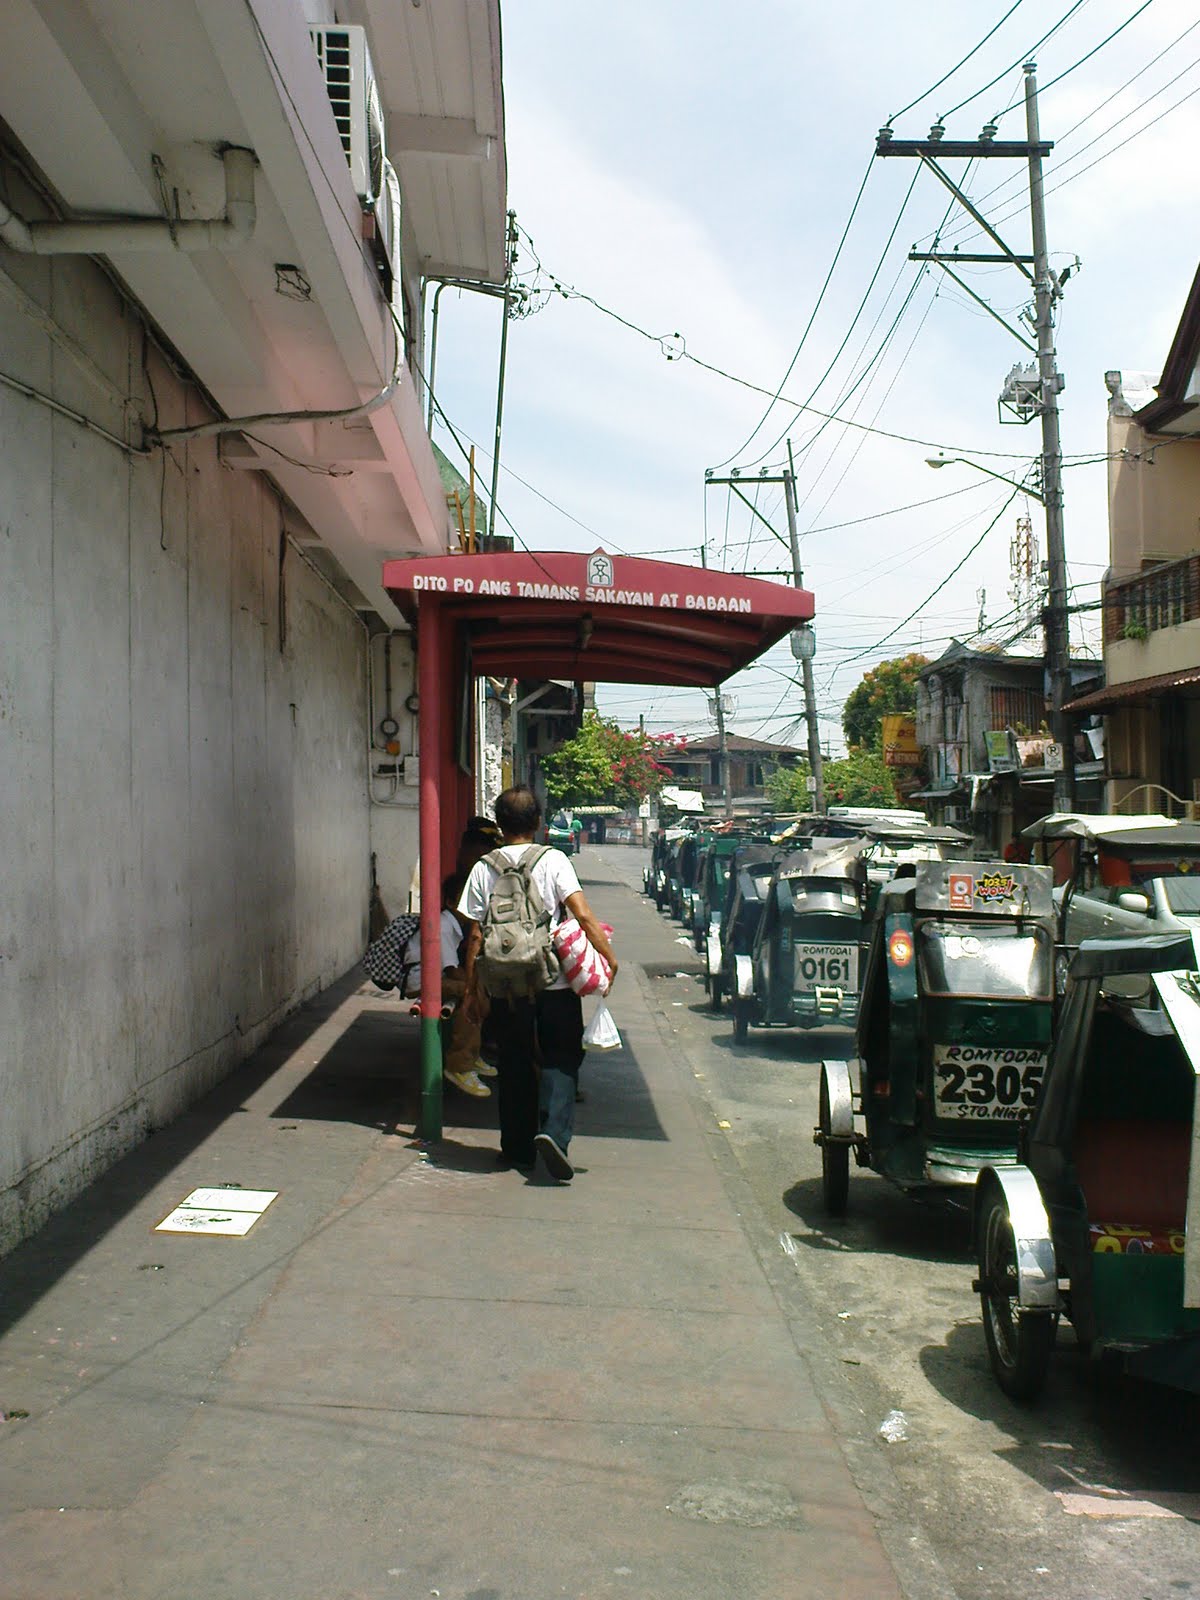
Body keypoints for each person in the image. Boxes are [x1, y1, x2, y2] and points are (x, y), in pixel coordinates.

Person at [458, 785, 617, 1180]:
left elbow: (476, 935)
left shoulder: (483, 867)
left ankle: (515, 1149)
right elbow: (581, 913)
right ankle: (553, 1134)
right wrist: (608, 959)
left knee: (514, 1062)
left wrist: (470, 990)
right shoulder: (554, 860)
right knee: (561, 1057)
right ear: (539, 822)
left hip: (506, 984)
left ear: (499, 823)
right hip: (555, 982)